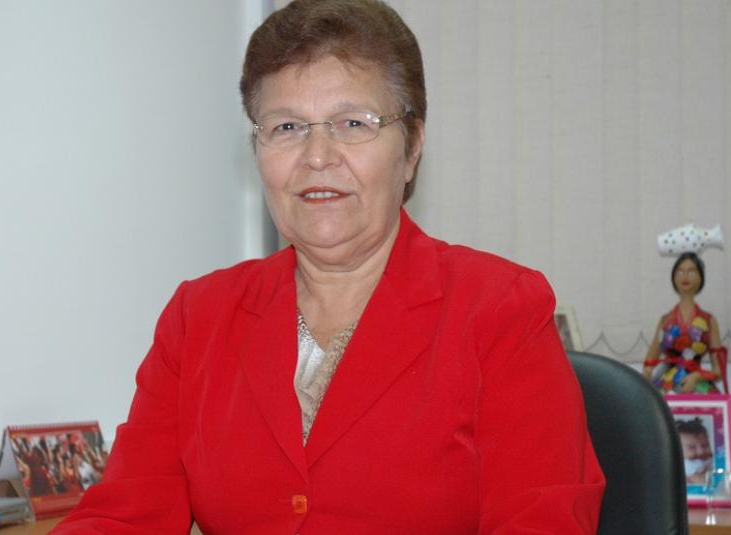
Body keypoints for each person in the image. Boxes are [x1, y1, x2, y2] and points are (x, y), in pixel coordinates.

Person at [51, 1, 604, 533]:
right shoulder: (199, 318)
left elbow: (542, 522)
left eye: (353, 123)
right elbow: (124, 517)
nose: (317, 156)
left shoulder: (500, 309)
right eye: (287, 127)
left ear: (412, 146)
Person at [642, 252, 727, 393]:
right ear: (674, 278)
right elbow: (649, 361)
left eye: (692, 272)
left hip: (697, 385)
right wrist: (648, 371)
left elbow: (719, 371)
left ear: (700, 278)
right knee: (657, 402)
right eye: (680, 272)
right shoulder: (665, 321)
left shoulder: (708, 320)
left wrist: (697, 376)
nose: (685, 276)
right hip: (665, 385)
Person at [676, 418, 713, 485]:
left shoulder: (709, 459)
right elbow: (700, 481)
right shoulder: (687, 465)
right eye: (692, 447)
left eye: (705, 445)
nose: (701, 451)